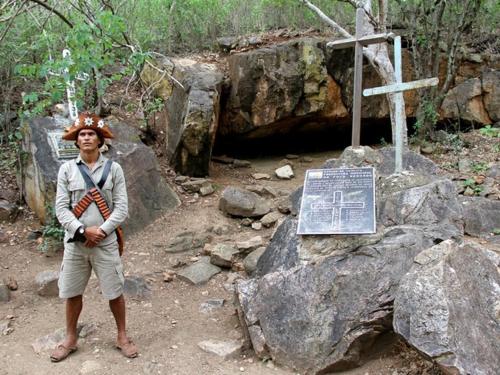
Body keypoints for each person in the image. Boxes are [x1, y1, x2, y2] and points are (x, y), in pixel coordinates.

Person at [50, 112, 138, 362]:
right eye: (82, 134)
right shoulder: (66, 170)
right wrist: (80, 230)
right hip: (76, 243)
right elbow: (61, 208)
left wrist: (101, 231)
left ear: (99, 140)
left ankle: (122, 336)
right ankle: (70, 338)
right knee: (72, 291)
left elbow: (121, 207)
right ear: (76, 141)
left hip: (105, 242)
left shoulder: (114, 169)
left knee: (114, 291)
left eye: (91, 134)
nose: (87, 137)